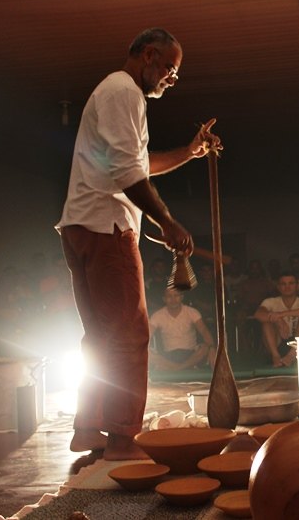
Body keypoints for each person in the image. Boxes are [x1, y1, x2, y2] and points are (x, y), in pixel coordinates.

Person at [56, 27, 221, 460]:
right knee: (129, 334)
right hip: (106, 227)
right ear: (148, 56)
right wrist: (166, 222)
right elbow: (130, 175)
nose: (172, 77)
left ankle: (89, 429)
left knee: (101, 336)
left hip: (81, 225)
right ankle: (123, 440)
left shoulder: (116, 95)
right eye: (169, 67)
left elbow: (137, 163)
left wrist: (189, 152)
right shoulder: (123, 91)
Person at [254, 272, 299, 367]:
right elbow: (258, 315)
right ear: (278, 287)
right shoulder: (270, 302)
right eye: (283, 284)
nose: (287, 287)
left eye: (291, 283)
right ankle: (276, 356)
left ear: (297, 286)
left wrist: (281, 315)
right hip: (277, 344)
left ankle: (291, 355)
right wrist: (277, 320)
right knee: (266, 323)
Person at [149, 288, 214, 371]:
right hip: (168, 356)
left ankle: (176, 368)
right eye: (169, 296)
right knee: (145, 352)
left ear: (182, 297)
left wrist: (212, 347)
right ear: (164, 299)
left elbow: (204, 330)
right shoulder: (157, 315)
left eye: (176, 295)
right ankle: (182, 367)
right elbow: (147, 335)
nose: (173, 299)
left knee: (205, 347)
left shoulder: (191, 312)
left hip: (191, 355)